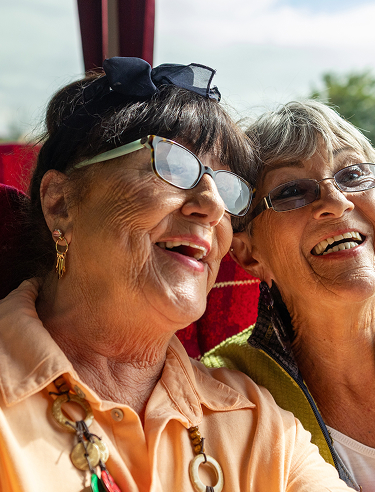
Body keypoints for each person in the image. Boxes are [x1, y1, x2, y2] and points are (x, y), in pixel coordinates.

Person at [0, 61, 351, 492]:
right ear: (60, 203)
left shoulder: (258, 423)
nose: (211, 204)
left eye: (227, 187)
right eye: (171, 164)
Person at [203, 99, 375, 491]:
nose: (336, 202)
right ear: (247, 253)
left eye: (352, 174)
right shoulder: (224, 395)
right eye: (293, 191)